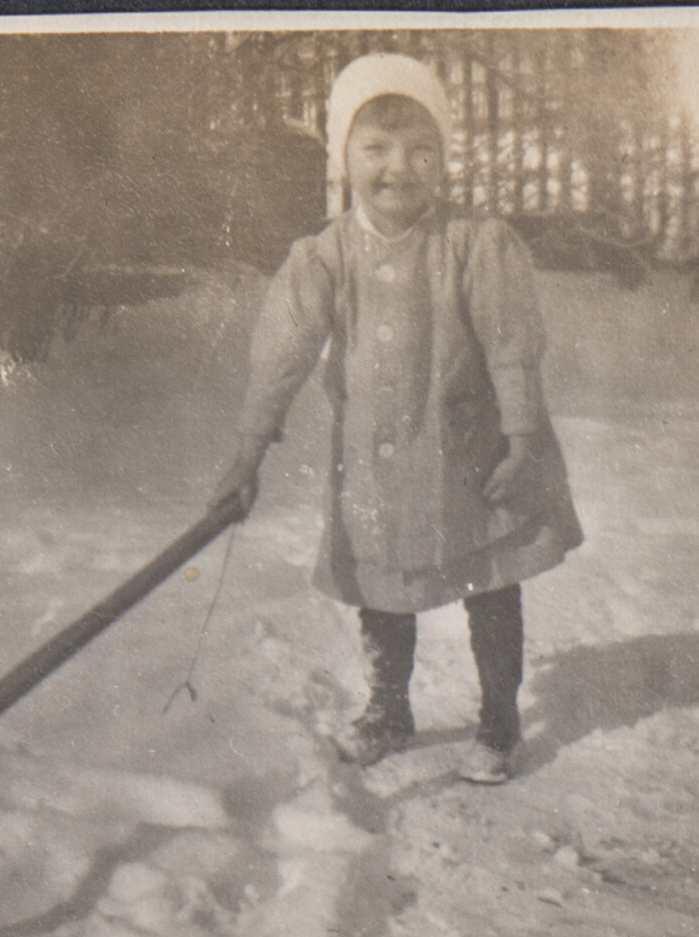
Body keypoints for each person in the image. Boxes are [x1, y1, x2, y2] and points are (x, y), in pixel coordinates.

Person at [212, 53, 582, 784]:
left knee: (492, 581)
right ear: (343, 155)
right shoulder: (324, 257)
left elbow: (512, 347)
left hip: (476, 457)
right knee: (383, 589)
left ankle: (499, 720)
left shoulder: (474, 244)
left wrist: (522, 438)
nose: (397, 169)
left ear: (443, 157)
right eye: (374, 149)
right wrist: (248, 450)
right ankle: (388, 706)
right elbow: (280, 358)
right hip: (377, 465)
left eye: (421, 151)